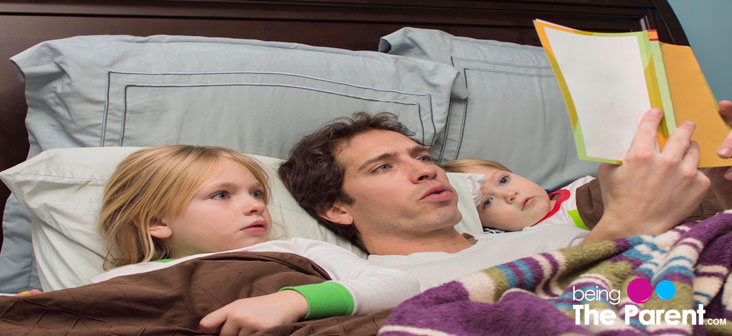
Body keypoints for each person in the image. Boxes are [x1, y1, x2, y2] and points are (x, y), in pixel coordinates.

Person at [279, 101, 732, 290]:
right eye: (383, 166)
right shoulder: (387, 286)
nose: (422, 169)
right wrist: (625, 228)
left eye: (421, 156)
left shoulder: (545, 230)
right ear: (337, 209)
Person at [91, 145, 419, 334]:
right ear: (157, 222)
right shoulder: (119, 280)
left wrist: (293, 302)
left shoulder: (296, 249)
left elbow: (399, 284)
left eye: (256, 193)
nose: (256, 205)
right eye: (221, 195)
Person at [441, 159, 724, 233]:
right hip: (691, 213)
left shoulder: (572, 187)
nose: (510, 195)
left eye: (503, 180)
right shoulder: (537, 234)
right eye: (487, 203)